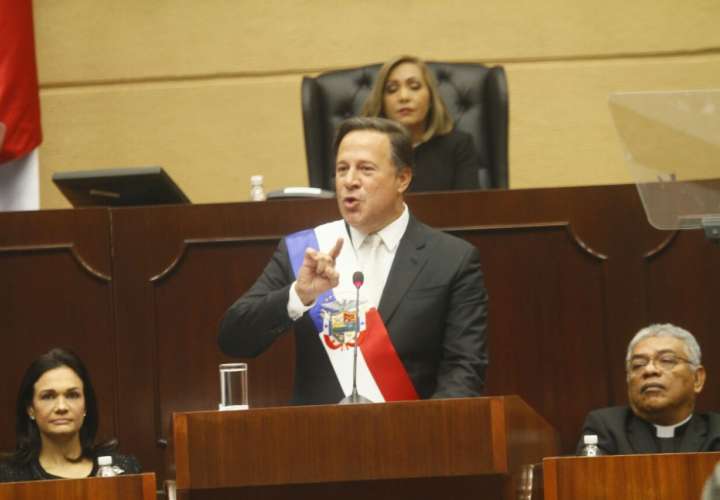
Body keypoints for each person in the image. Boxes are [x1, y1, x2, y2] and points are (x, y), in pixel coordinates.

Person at [219, 116, 488, 405]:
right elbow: (234, 338)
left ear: (403, 178)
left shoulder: (452, 258)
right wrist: (300, 295)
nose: (349, 181)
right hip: (319, 440)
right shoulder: (306, 251)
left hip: (413, 441)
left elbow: (465, 369)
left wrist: (423, 434)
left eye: (366, 169)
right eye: (342, 169)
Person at [576, 324, 720, 455]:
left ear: (697, 379)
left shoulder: (716, 432)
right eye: (638, 364)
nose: (649, 370)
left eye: (667, 360)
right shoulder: (607, 429)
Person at [0, 348, 141, 482]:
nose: (61, 407)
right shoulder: (8, 477)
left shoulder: (124, 470)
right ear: (30, 408)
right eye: (48, 396)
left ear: (86, 406)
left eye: (72, 395)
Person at [361, 55, 487, 192]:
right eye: (392, 89)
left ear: (431, 98)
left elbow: (468, 208)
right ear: (382, 102)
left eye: (414, 87)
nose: (403, 97)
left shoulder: (459, 146)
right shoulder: (366, 150)